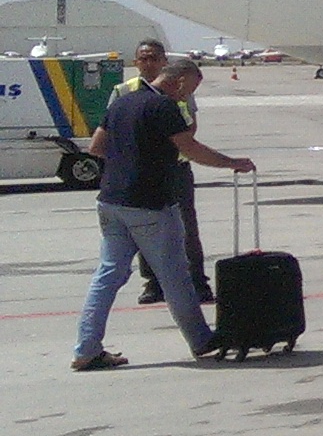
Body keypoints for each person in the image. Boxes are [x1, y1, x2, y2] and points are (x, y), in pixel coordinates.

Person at [73, 57, 255, 370]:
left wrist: (130, 156)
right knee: (174, 273)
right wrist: (231, 162)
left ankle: (86, 348)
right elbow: (192, 149)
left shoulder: (122, 102)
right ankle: (201, 340)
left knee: (108, 274)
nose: (187, 97)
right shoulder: (164, 107)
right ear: (180, 80)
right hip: (150, 203)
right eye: (190, 89)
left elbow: (96, 147)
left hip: (111, 201)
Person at [114, 39, 213, 305]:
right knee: (146, 229)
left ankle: (198, 281)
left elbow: (190, 127)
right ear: (136, 63)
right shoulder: (124, 91)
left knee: (187, 228)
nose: (149, 63)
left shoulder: (181, 89)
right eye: (144, 59)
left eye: (154, 58)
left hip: (177, 168)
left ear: (164, 62)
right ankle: (153, 283)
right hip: (145, 171)